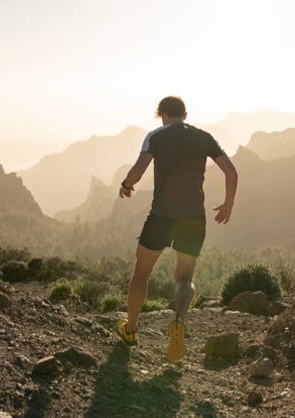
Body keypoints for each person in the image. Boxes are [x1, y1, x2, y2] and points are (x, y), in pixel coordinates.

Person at [115, 96, 238, 362]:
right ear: (185, 113)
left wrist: (126, 185)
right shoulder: (204, 137)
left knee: (141, 274)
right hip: (193, 218)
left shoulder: (156, 136)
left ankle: (132, 330)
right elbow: (231, 172)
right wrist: (228, 205)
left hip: (161, 216)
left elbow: (137, 170)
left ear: (162, 114)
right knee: (185, 279)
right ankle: (178, 322)